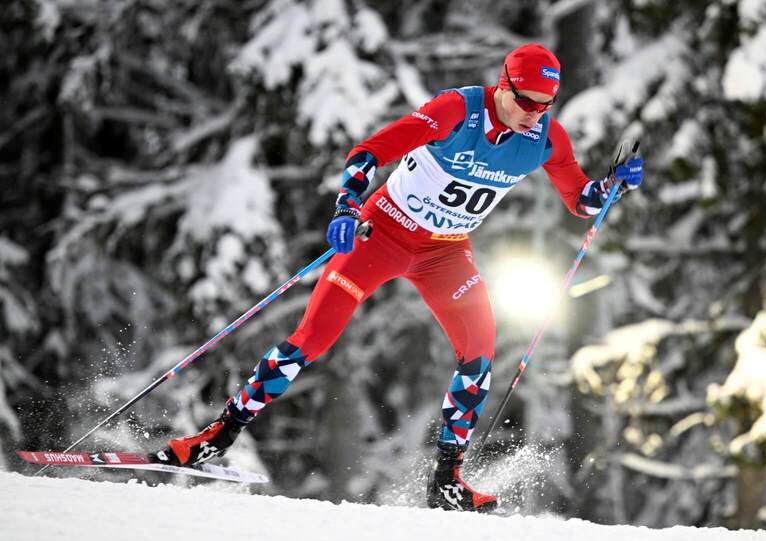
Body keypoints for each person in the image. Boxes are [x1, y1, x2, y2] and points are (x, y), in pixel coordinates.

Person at [156, 43, 644, 512]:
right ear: (503, 85)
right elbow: (368, 152)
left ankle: (446, 481)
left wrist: (611, 187)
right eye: (525, 101)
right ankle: (217, 436)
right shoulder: (457, 110)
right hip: (382, 233)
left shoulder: (546, 139)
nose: (534, 114)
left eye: (545, 105)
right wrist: (347, 205)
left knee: (479, 353)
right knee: (313, 337)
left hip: (445, 252)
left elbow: (580, 201)